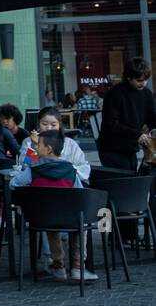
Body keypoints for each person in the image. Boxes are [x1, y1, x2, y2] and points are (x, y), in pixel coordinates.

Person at [8, 130, 96, 283]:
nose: (36, 148)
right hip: (69, 217)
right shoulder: (71, 170)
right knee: (80, 225)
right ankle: (77, 266)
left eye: (39, 146)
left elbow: (13, 183)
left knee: (51, 225)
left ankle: (58, 266)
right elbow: (80, 193)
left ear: (48, 149)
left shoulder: (33, 170)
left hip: (42, 218)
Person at [97, 57, 156, 172]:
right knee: (123, 181)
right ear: (128, 77)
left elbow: (152, 118)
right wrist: (137, 134)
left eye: (146, 79)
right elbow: (110, 124)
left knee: (132, 179)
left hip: (130, 148)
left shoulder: (147, 93)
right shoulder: (115, 93)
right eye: (139, 80)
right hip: (112, 148)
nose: (143, 83)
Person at [18, 107, 90, 183]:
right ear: (38, 124)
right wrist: (35, 146)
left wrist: (66, 171)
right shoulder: (29, 142)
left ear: (59, 125)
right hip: (38, 186)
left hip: (66, 187)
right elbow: (24, 167)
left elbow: (84, 168)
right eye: (44, 124)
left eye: (53, 125)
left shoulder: (70, 143)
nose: (49, 128)